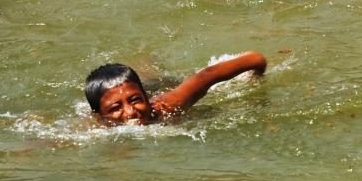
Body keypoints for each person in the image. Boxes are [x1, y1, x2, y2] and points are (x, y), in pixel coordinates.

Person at [84, 51, 267, 126]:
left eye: (136, 100)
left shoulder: (170, 105)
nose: (131, 112)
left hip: (159, 88)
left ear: (146, 98)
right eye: (116, 108)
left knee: (158, 78)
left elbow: (209, 75)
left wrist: (257, 70)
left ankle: (147, 59)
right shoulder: (95, 128)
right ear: (98, 116)